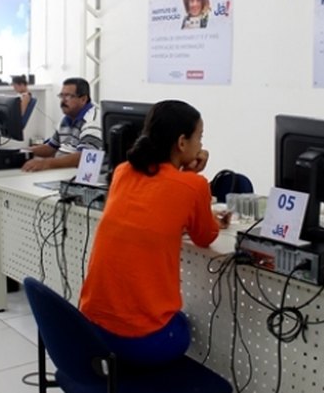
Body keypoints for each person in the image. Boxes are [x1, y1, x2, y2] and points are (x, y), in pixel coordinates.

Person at [79, 100, 228, 365]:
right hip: (139, 341)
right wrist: (193, 178)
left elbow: (162, 195)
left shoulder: (123, 171)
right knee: (182, 326)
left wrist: (187, 177)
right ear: (182, 143)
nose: (201, 146)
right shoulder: (193, 186)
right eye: (199, 138)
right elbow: (205, 237)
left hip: (91, 330)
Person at [21, 77, 101, 171]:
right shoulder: (67, 118)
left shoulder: (92, 121)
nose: (63, 100)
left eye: (68, 96)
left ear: (83, 99)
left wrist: (46, 163)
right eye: (62, 96)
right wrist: (23, 151)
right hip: (63, 171)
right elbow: (51, 147)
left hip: (79, 174)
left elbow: (84, 157)